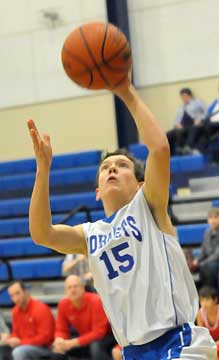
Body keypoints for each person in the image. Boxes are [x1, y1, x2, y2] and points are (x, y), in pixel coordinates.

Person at [27, 76, 216, 359]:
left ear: (141, 183)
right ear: (97, 192)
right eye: (105, 167)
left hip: (178, 343)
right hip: (133, 351)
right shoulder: (90, 234)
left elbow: (160, 149)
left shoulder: (148, 204)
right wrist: (43, 169)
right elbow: (42, 233)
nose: (112, 169)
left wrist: (124, 91)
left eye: (122, 165)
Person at [51, 274, 115, 359]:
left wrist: (72, 343)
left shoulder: (95, 301)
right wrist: (59, 339)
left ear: (82, 288)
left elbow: (99, 332)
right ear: (66, 291)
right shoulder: (63, 304)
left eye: (75, 286)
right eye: (69, 287)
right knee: (57, 349)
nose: (73, 290)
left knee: (95, 346)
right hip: (84, 337)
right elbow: (61, 329)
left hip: (107, 336)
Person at [0, 280, 55, 360]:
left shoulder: (41, 309)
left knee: (19, 352)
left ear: (25, 292)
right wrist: (9, 338)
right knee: (2, 348)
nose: (15, 298)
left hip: (45, 348)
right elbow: (16, 333)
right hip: (23, 345)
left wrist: (20, 342)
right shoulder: (15, 311)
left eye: (18, 293)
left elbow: (45, 338)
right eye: (12, 296)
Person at [167, 88, 208, 155]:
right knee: (168, 134)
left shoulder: (198, 103)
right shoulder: (180, 108)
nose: (183, 98)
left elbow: (206, 112)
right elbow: (176, 121)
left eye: (185, 96)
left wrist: (200, 119)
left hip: (193, 125)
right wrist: (177, 124)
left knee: (193, 129)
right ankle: (168, 153)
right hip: (182, 127)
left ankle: (187, 147)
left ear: (190, 96)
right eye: (182, 97)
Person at [192, 207, 219, 290]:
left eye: (216, 217)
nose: (213, 220)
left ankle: (214, 294)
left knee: (210, 267)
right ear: (208, 220)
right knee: (196, 266)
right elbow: (203, 251)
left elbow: (217, 255)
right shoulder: (207, 232)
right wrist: (196, 261)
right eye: (211, 218)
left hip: (216, 261)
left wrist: (202, 263)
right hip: (209, 262)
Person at [197, 286, 219, 358]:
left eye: (207, 300)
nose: (204, 303)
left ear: (215, 300)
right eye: (202, 300)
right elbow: (201, 334)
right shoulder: (200, 314)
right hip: (210, 344)